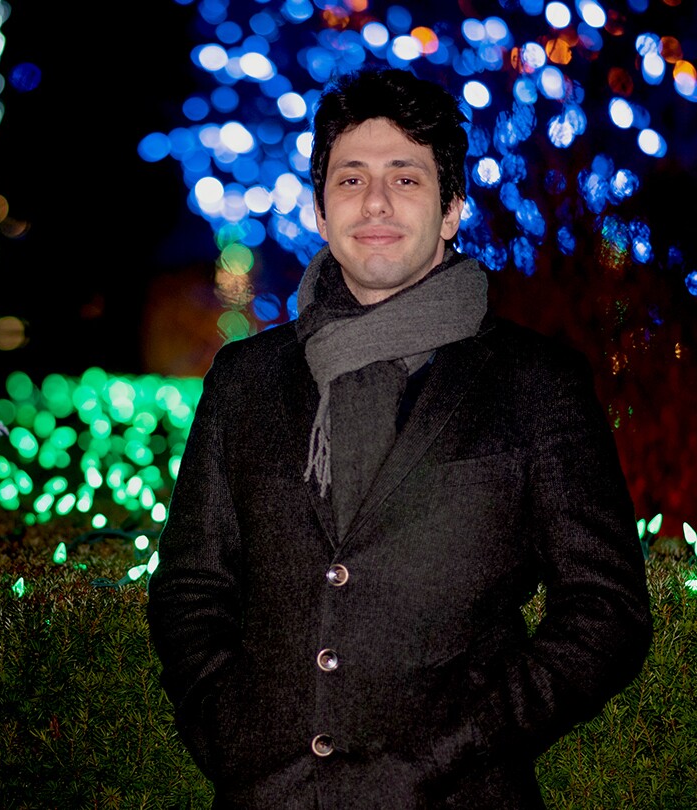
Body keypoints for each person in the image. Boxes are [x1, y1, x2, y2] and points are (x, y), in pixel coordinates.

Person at [146, 68, 652, 808]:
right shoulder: (245, 379)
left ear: (451, 210)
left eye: (405, 179)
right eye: (350, 180)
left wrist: (453, 750)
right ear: (320, 210)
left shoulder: (536, 382)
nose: (375, 202)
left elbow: (606, 612)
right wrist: (229, 730)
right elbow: (192, 587)